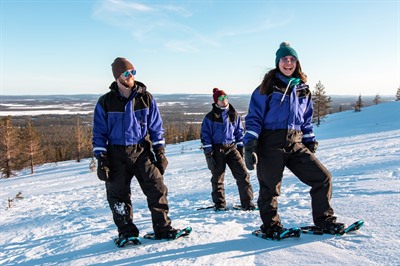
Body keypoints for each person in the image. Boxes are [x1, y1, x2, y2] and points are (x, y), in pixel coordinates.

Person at [243, 42, 345, 237]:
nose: (288, 63)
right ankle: (271, 226)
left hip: (295, 142)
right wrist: (250, 143)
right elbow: (254, 117)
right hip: (270, 143)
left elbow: (306, 119)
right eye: (284, 59)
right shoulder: (267, 87)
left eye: (292, 59)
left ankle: (324, 220)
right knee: (270, 188)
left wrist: (309, 139)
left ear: (297, 63)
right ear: (278, 62)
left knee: (322, 178)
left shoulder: (303, 89)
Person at [92, 57, 179, 246]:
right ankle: (126, 232)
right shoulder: (106, 102)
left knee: (157, 188)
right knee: (118, 196)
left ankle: (163, 228)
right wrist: (101, 159)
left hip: (141, 150)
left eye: (133, 72)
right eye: (126, 73)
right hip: (115, 153)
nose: (130, 76)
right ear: (117, 76)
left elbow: (156, 127)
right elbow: (99, 133)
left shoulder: (146, 98)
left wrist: (160, 153)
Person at [201, 88, 255, 211]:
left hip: (231, 148)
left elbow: (239, 132)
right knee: (218, 178)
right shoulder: (211, 117)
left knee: (243, 175)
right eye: (220, 98)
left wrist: (241, 148)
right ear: (216, 102)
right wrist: (209, 153)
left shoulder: (234, 115)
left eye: (225, 97)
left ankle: (248, 203)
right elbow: (205, 135)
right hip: (217, 149)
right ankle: (219, 205)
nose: (224, 100)